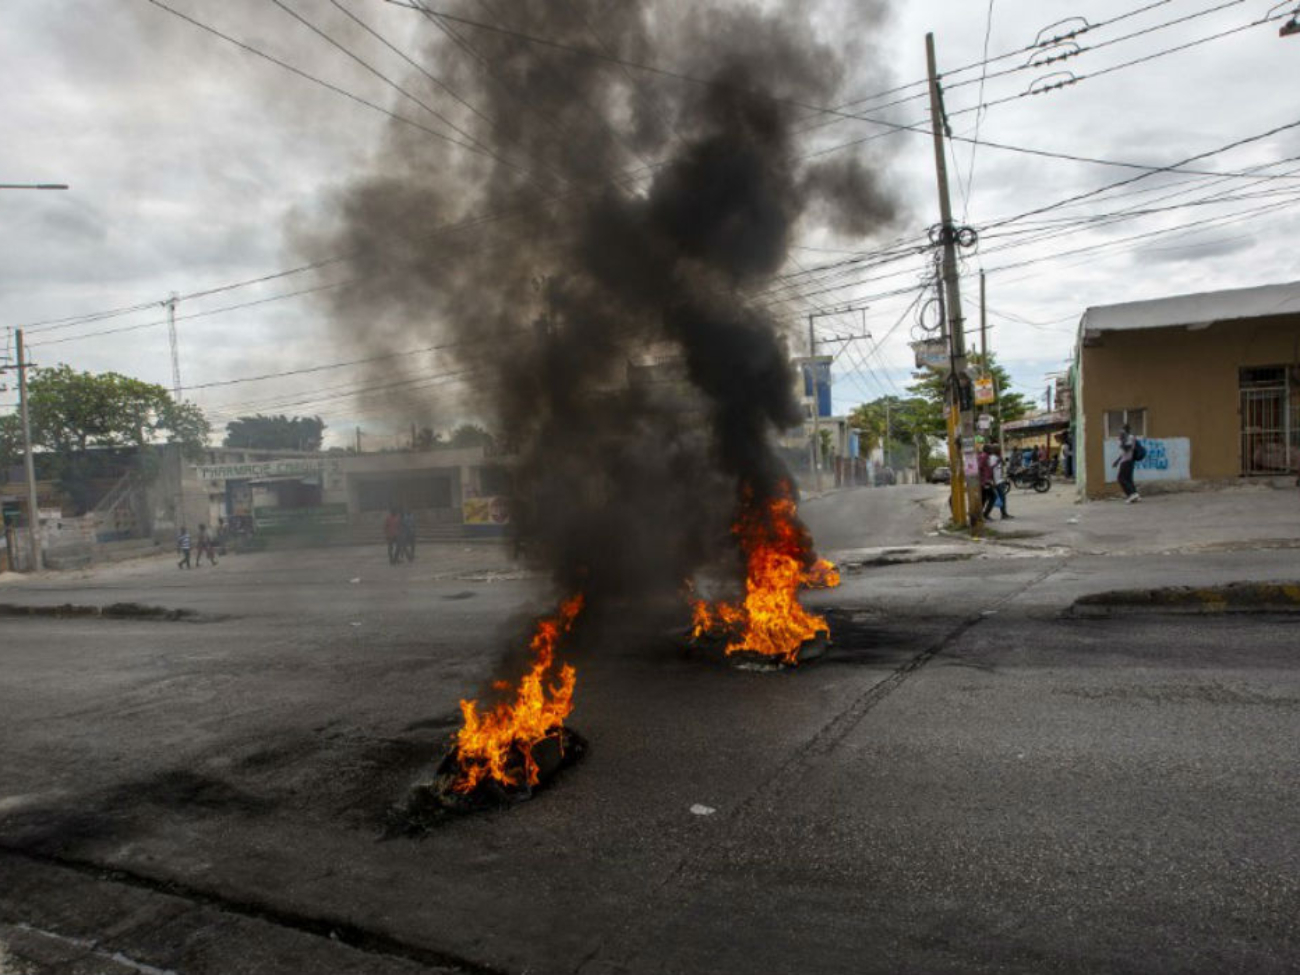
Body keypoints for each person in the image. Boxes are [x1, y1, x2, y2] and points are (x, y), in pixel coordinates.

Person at [1113, 423, 1140, 503]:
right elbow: (1123, 453)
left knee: (1121, 478)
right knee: (1128, 479)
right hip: (1126, 460)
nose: (1121, 432)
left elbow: (1127, 448)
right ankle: (1135, 495)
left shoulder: (1130, 437)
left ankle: (1131, 495)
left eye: (1122, 430)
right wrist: (1117, 461)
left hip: (1127, 460)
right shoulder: (1126, 437)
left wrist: (1122, 442)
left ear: (1126, 430)